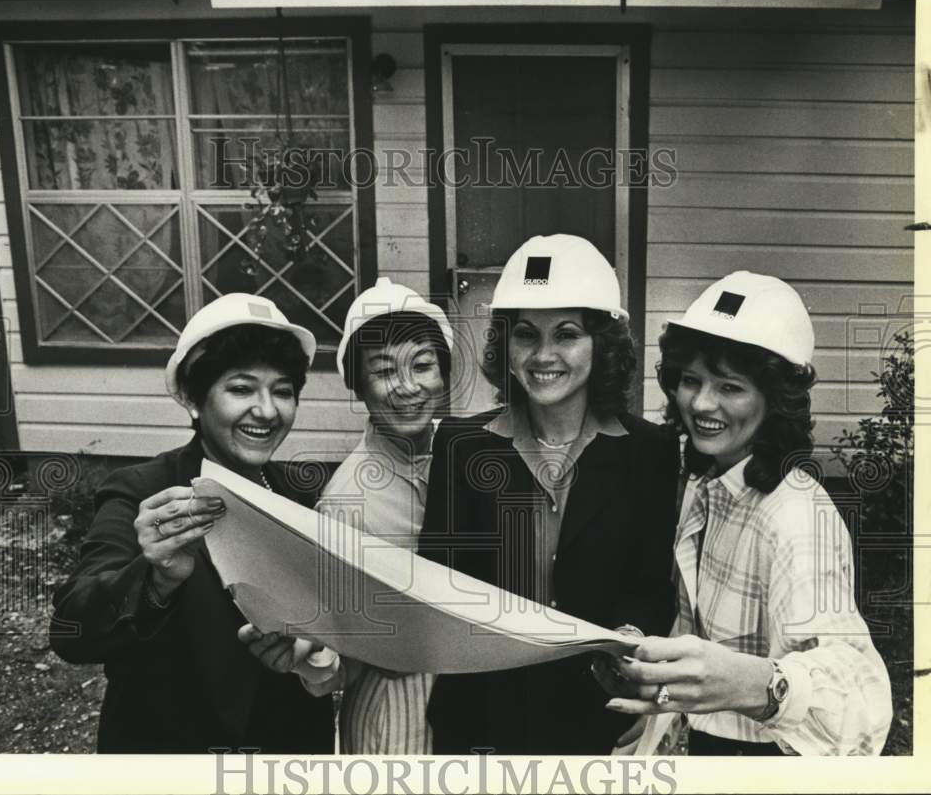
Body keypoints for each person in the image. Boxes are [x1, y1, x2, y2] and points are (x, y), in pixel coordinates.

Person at [605, 271, 893, 755]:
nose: (701, 403)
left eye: (731, 387)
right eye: (691, 380)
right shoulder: (708, 479)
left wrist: (760, 686)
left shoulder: (797, 519)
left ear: (775, 402)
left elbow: (861, 705)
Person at [418, 234, 680, 754]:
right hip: (479, 721)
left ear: (600, 344)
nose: (543, 355)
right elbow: (437, 581)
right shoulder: (461, 445)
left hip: (594, 716)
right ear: (505, 343)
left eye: (566, 334)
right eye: (525, 334)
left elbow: (652, 583)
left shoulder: (649, 451)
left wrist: (629, 644)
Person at [49, 293, 335, 753]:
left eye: (282, 391)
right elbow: (71, 631)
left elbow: (336, 623)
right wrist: (155, 578)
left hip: (290, 752)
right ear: (193, 399)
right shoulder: (142, 492)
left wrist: (318, 656)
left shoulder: (303, 493)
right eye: (241, 389)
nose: (266, 410)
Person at [315, 276, 454, 754]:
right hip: (396, 709)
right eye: (383, 371)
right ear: (358, 386)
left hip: (464, 696)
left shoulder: (464, 455)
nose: (407, 388)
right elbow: (337, 645)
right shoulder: (347, 501)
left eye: (422, 365)